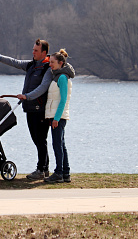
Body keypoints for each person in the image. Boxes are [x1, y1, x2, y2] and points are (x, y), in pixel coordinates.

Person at [0, 39, 53, 180]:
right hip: (30, 109)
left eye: (36, 50)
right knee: (37, 140)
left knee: (41, 140)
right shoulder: (31, 65)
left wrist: (27, 96)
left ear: (44, 53)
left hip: (39, 109)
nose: (33, 52)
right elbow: (14, 62)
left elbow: (43, 88)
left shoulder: (48, 69)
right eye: (33, 49)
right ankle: (44, 169)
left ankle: (42, 169)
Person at [43, 49, 75, 183]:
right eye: (50, 62)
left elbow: (63, 100)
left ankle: (59, 173)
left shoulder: (62, 77)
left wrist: (56, 118)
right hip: (56, 116)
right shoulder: (57, 75)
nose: (50, 64)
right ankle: (65, 173)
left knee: (57, 145)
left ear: (61, 63)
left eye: (53, 62)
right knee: (61, 144)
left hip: (58, 117)